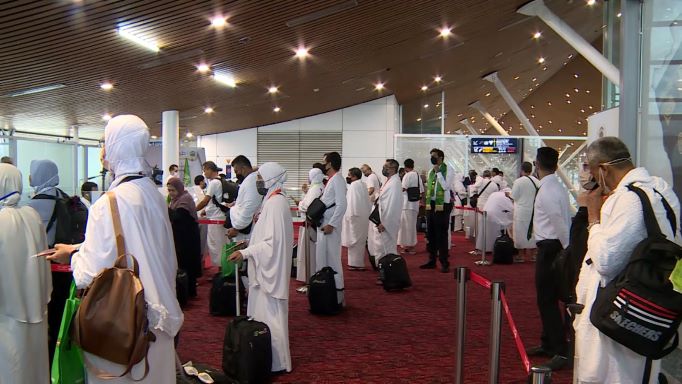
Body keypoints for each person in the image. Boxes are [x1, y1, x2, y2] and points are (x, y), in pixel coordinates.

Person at [47, 114, 183, 383]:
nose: (102, 152)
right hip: (160, 320)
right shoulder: (153, 194)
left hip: (126, 327)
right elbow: (143, 244)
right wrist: (80, 247)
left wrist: (73, 255)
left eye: (105, 143)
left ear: (116, 146)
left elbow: (89, 273)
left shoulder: (108, 202)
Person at [573, 137, 681, 383]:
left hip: (621, 308)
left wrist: (593, 219)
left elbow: (607, 260)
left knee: (613, 374)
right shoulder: (662, 191)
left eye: (590, 168)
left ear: (603, 169)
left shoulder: (628, 199)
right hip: (648, 301)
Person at [228, 162, 293, 373]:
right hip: (264, 267)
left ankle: (276, 362)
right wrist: (247, 243)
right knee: (263, 317)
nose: (258, 182)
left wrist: (246, 253)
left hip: (269, 272)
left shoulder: (275, 204)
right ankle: (264, 358)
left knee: (271, 317)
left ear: (271, 178)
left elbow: (271, 244)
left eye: (260, 178)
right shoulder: (271, 201)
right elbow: (265, 236)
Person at [0, 163, 52, 383]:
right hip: (37, 308)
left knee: (11, 368)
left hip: (6, 315)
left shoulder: (2, 220)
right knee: (34, 368)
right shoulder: (31, 215)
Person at [525, 147, 571, 371]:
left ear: (536, 164)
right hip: (552, 246)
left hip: (552, 248)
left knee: (547, 300)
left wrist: (566, 249)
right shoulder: (554, 186)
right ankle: (548, 343)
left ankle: (560, 350)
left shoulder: (547, 190)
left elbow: (559, 222)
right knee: (548, 298)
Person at [316, 152, 347, 305]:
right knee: (324, 260)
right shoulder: (331, 180)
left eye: (324, 162)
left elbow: (342, 205)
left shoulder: (338, 180)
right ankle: (326, 293)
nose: (322, 164)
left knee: (333, 260)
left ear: (330, 164)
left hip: (330, 227)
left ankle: (338, 296)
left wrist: (332, 224)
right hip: (324, 225)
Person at [420, 148, 455, 273]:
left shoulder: (448, 169)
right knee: (431, 234)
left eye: (434, 156)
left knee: (441, 234)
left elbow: (446, 186)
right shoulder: (431, 171)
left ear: (440, 157)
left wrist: (439, 172)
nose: (432, 158)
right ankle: (432, 260)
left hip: (443, 205)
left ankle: (444, 262)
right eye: (431, 156)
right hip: (431, 204)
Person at [368, 159, 403, 281]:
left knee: (386, 248)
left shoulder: (395, 183)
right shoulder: (389, 181)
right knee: (381, 247)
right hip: (382, 219)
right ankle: (385, 273)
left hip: (387, 221)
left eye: (386, 167)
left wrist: (384, 223)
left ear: (393, 168)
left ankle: (389, 274)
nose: (384, 169)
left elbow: (392, 205)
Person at [167, 177, 201, 298]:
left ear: (179, 189)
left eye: (173, 190)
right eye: (169, 190)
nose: (171, 193)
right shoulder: (175, 200)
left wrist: (165, 209)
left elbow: (178, 216)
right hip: (181, 237)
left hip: (188, 238)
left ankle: (189, 292)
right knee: (183, 263)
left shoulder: (185, 199)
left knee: (188, 263)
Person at [296, 168, 324, 282]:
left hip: (310, 224)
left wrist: (300, 204)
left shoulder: (316, 188)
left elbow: (307, 206)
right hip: (315, 224)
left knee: (309, 251)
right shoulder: (319, 187)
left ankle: (309, 276)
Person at [195, 161, 226, 266]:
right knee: (221, 244)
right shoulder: (220, 181)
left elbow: (205, 201)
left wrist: (193, 210)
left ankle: (220, 270)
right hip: (220, 216)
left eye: (204, 171)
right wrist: (206, 210)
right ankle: (222, 270)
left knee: (216, 246)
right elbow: (215, 201)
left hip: (215, 219)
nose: (204, 173)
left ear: (209, 169)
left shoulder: (213, 183)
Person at [342, 167, 371, 270]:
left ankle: (355, 264)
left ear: (354, 176)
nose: (348, 177)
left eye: (349, 175)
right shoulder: (362, 184)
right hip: (363, 216)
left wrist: (349, 216)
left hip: (355, 216)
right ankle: (357, 263)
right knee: (360, 240)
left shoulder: (354, 185)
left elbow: (352, 202)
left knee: (354, 240)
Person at [227, 155, 262, 243]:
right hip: (246, 227)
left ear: (243, 168)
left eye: (236, 171)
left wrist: (237, 227)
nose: (236, 174)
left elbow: (249, 207)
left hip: (247, 230)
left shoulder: (251, 182)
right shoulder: (250, 180)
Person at [510, 162, 540, 263]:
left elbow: (514, 196)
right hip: (534, 211)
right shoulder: (537, 181)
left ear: (521, 169)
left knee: (520, 233)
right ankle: (534, 255)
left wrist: (508, 195)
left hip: (521, 211)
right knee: (533, 232)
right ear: (531, 170)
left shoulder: (518, 181)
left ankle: (520, 256)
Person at [397, 158, 423, 254]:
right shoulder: (417, 175)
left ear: (405, 166)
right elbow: (422, 190)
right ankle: (411, 245)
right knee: (411, 226)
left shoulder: (407, 175)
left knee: (406, 226)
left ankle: (408, 246)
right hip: (414, 204)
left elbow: (403, 188)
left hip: (406, 204)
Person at [474, 170, 500, 254]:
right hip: (490, 206)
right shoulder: (494, 184)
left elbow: (474, 188)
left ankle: (480, 247)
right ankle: (491, 247)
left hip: (481, 206)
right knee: (490, 227)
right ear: (490, 176)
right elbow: (496, 196)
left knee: (480, 227)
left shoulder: (480, 182)